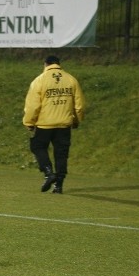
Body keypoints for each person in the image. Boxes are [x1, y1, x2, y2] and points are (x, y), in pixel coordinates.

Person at [22, 55, 86, 194]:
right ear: (59, 64)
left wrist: (29, 122)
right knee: (61, 154)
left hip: (45, 124)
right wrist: (76, 120)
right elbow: (79, 105)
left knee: (38, 147)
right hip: (64, 125)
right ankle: (59, 185)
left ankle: (48, 172)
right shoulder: (71, 79)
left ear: (45, 64)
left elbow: (33, 106)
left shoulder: (39, 80)